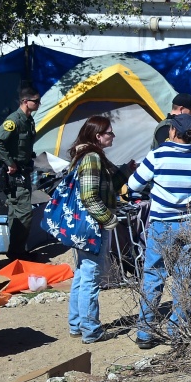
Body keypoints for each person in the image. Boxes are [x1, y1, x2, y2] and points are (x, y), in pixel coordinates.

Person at [128, 113, 191, 349]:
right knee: (185, 278)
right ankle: (178, 330)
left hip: (163, 224)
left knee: (154, 276)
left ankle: (145, 333)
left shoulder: (157, 155)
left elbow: (133, 185)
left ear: (172, 131)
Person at [67, 116, 131, 344]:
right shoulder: (92, 158)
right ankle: (91, 331)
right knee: (91, 280)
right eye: (109, 133)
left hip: (82, 225)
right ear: (97, 136)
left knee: (82, 275)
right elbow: (90, 197)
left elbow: (105, 188)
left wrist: (125, 171)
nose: (112, 136)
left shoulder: (84, 156)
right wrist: (110, 220)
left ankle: (76, 325)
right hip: (93, 226)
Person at [0, 87, 40, 260]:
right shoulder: (14, 120)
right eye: (36, 101)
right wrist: (9, 162)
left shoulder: (28, 120)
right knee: (24, 212)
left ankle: (15, 251)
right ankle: (17, 252)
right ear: (26, 101)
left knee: (15, 212)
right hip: (14, 173)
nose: (39, 104)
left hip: (23, 171)